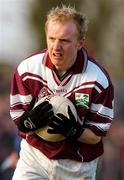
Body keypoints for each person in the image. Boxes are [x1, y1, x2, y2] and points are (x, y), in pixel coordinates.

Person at [10, 5, 114, 180]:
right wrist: (28, 122)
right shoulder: (27, 70)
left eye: (64, 40)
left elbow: (96, 135)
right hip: (35, 158)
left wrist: (74, 131)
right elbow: (19, 119)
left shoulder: (98, 80)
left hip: (77, 165)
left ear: (80, 42)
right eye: (52, 38)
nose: (56, 47)